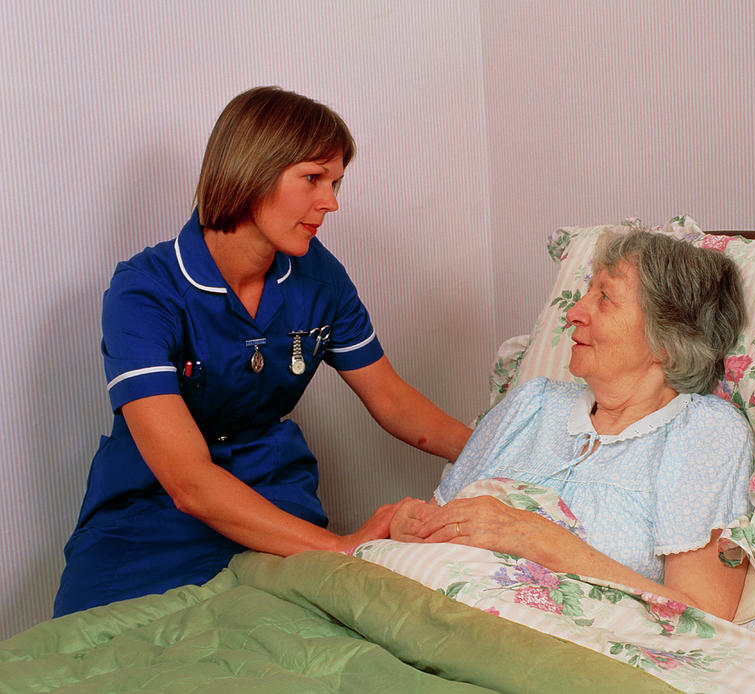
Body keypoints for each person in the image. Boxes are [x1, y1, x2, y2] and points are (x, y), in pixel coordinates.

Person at [53, 87, 471, 617]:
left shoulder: (320, 278)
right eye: (314, 178)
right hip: (151, 504)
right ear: (252, 170)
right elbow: (188, 482)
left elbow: (390, 398)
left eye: (337, 182)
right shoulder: (145, 291)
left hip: (272, 492)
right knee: (89, 655)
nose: (332, 202)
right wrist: (344, 548)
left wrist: (499, 448)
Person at [392, 228, 753, 620]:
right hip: (418, 608)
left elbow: (705, 618)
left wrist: (542, 541)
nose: (573, 313)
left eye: (605, 298)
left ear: (666, 340)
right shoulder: (532, 403)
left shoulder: (703, 433)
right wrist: (408, 526)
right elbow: (436, 522)